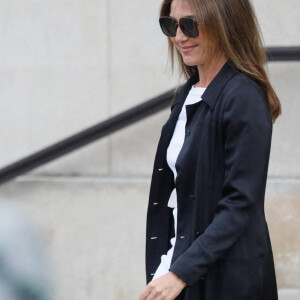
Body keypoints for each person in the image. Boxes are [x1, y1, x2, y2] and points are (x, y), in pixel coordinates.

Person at [139, 0, 282, 299]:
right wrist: (169, 267)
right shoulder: (187, 96)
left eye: (190, 24)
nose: (179, 36)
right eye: (171, 25)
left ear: (224, 22)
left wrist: (180, 272)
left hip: (225, 282)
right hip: (184, 268)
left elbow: (240, 204)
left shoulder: (242, 97)